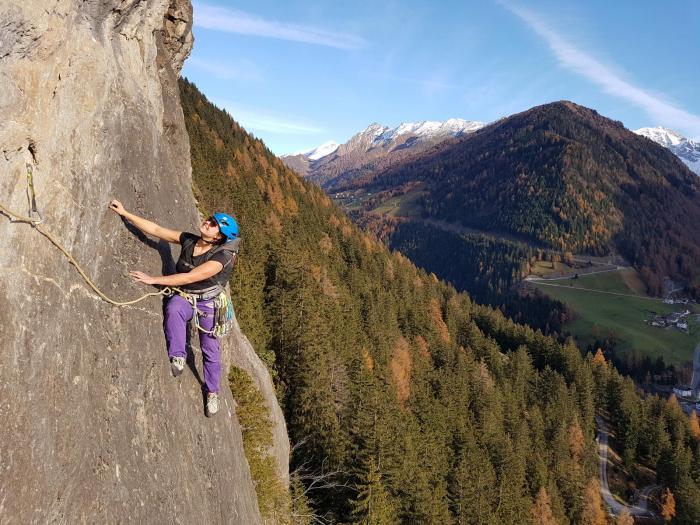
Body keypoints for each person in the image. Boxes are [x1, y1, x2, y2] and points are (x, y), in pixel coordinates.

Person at [108, 199, 239, 417]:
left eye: (213, 224)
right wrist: (126, 213)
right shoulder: (189, 240)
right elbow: (157, 230)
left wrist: (153, 279)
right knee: (174, 308)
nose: (207, 222)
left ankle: (212, 391)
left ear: (219, 237)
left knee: (210, 349)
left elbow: (191, 276)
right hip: (186, 297)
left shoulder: (221, 257)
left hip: (208, 304)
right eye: (209, 219)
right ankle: (178, 355)